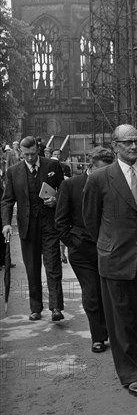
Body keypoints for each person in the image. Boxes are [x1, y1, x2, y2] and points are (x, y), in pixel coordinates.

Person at [82, 125, 137, 397]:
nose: (133, 146)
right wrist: (109, 244)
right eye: (127, 142)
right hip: (115, 258)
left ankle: (130, 353)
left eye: (136, 141)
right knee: (120, 319)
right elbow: (91, 220)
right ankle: (131, 374)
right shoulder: (99, 178)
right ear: (115, 145)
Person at [55, 147, 113, 353]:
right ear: (91, 167)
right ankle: (98, 337)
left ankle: (111, 331)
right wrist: (73, 243)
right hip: (82, 252)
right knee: (91, 292)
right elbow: (60, 221)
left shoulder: (112, 184)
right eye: (102, 170)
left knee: (109, 292)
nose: (106, 175)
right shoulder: (70, 185)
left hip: (108, 249)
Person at [1, 136, 65, 321]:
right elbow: (6, 201)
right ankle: (35, 308)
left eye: (33, 154)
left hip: (49, 224)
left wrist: (56, 199)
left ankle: (56, 307)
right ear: (21, 152)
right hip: (27, 226)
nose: (30, 158)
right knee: (32, 267)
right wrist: (6, 223)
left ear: (38, 150)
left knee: (53, 265)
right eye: (26, 155)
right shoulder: (13, 172)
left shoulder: (52, 166)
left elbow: (64, 190)